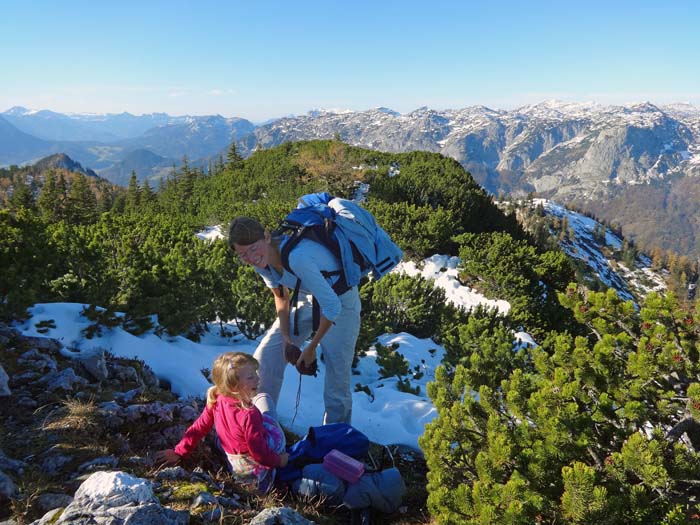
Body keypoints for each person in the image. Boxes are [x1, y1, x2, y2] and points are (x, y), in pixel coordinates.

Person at [228, 216, 361, 425]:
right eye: (242, 254)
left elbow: (332, 307)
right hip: (306, 297)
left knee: (337, 379)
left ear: (266, 236)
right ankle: (260, 425)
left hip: (341, 302)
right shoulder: (261, 262)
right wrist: (286, 338)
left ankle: (336, 439)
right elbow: (281, 296)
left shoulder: (298, 256)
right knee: (265, 358)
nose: (250, 257)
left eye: (253, 249)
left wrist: (311, 348)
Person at [155, 352, 288, 492]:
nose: (258, 378)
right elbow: (260, 455)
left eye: (255, 373)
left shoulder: (217, 398)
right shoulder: (250, 414)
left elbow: (199, 427)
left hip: (234, 459)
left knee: (259, 403)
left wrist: (179, 451)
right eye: (251, 377)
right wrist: (280, 460)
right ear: (234, 386)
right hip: (254, 468)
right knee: (265, 399)